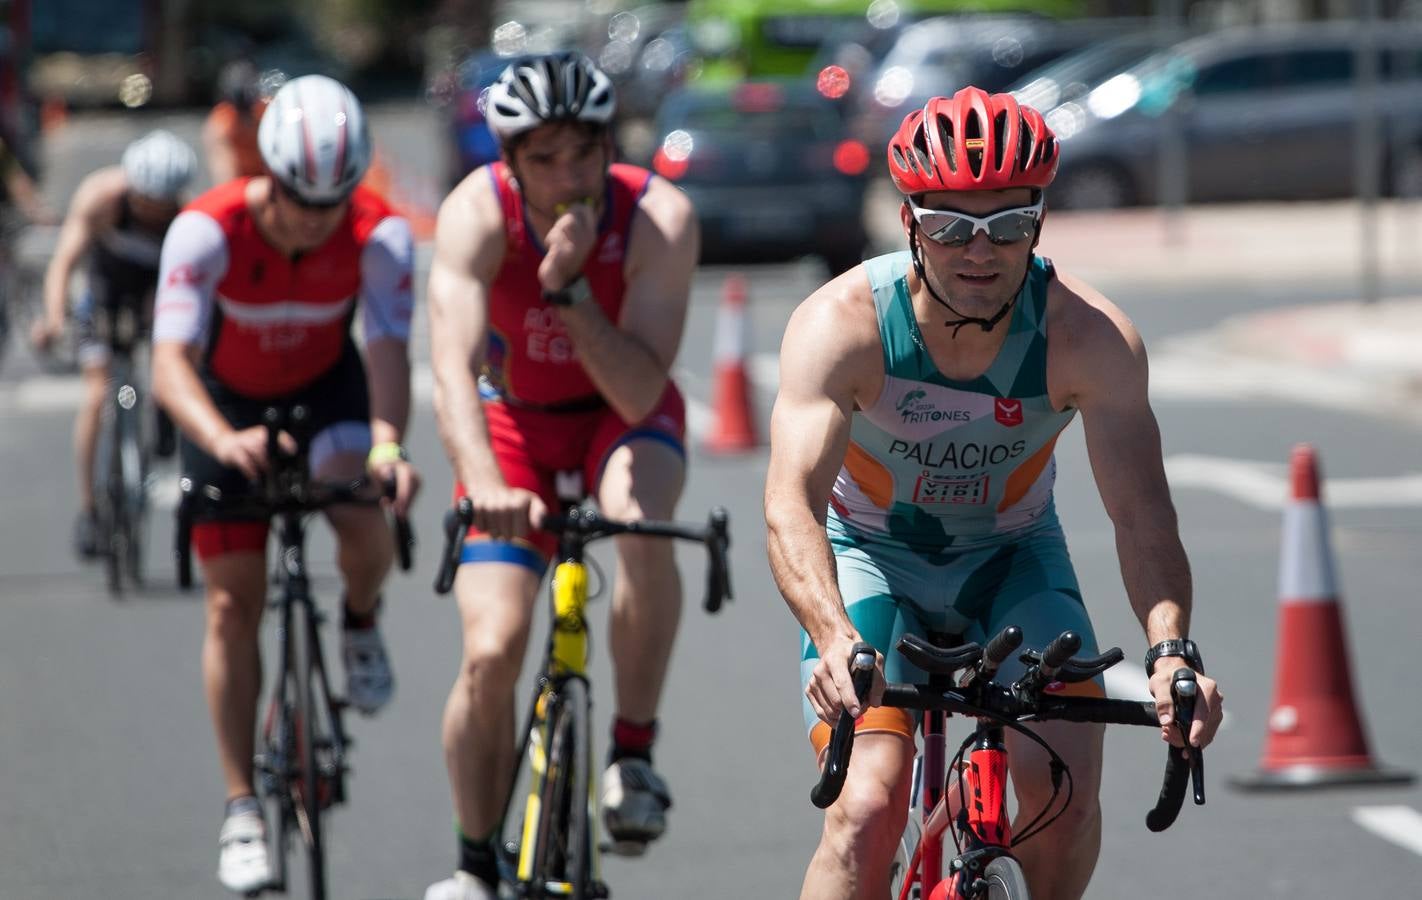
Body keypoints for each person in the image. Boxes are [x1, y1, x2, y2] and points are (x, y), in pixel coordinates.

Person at [763, 86, 1225, 900]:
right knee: (867, 806)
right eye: (950, 228)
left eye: (1007, 225)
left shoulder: (1090, 337)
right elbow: (791, 503)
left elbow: (1141, 510)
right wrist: (833, 638)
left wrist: (1171, 650)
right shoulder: (844, 326)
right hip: (871, 560)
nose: (980, 252)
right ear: (909, 222)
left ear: (1038, 223)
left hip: (1013, 560)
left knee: (1066, 796)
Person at [423, 52, 698, 900]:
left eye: (584, 153)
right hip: (512, 426)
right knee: (492, 649)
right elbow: (451, 371)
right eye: (543, 159)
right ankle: (474, 862)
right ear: (508, 160)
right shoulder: (476, 213)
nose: (568, 176)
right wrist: (481, 483)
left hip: (622, 416)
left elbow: (640, 387)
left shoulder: (658, 215)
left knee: (640, 525)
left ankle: (633, 753)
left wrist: (570, 290)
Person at [149, 75, 419, 894]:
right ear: (266, 173)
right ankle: (240, 808)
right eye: (301, 199)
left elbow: (384, 350)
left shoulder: (379, 234)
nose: (315, 218)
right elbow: (168, 363)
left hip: (325, 394)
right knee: (234, 601)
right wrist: (222, 437)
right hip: (224, 406)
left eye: (333, 201)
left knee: (363, 505)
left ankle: (360, 623)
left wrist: (386, 446)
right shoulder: (206, 232)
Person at [31, 129, 196, 558]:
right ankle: (90, 510)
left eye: (162, 207)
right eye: (144, 204)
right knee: (96, 396)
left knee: (173, 364)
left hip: (153, 297)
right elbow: (64, 262)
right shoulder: (100, 198)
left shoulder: (188, 216)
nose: (152, 214)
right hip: (103, 294)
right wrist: (53, 318)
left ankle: (163, 417)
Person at [201, 59, 269, 184]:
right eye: (241, 109)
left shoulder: (267, 113)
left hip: (267, 182)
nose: (246, 117)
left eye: (249, 107)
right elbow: (225, 180)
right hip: (240, 187)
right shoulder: (221, 124)